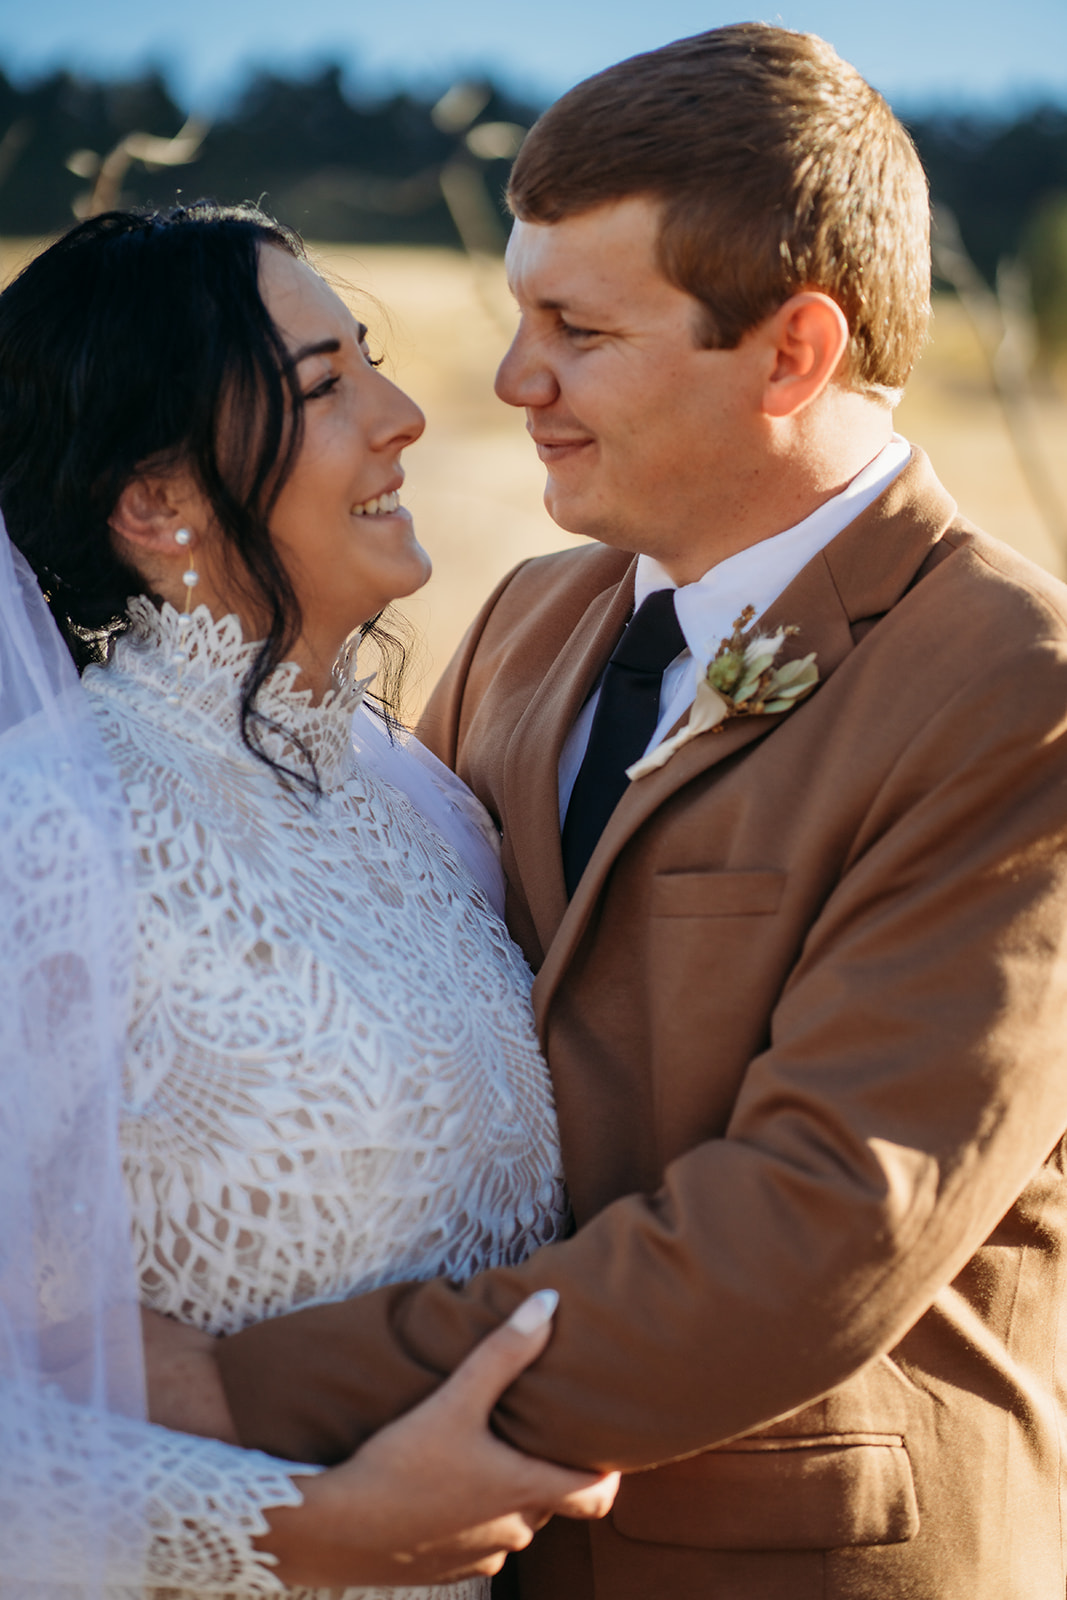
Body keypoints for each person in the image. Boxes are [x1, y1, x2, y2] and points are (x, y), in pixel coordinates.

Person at [166, 23, 1067, 1600]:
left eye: (577, 329)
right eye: (519, 315)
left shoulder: (1012, 690)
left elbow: (813, 1234)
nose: (512, 383)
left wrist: (238, 1395)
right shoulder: (526, 617)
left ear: (791, 353)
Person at [0, 200, 618, 1597]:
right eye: (325, 389)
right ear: (157, 506)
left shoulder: (430, 814)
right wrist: (310, 1534)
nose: (401, 416)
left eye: (371, 362)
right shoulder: (41, 837)